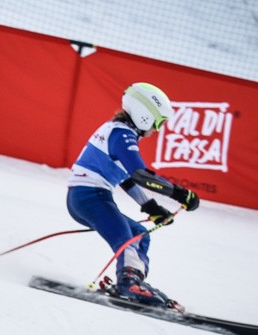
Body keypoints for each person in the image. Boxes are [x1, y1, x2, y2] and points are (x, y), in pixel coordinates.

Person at [66, 82, 199, 307]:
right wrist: (180, 194)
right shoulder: (122, 135)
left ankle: (133, 280)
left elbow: (126, 178)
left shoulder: (118, 131)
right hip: (89, 196)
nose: (157, 129)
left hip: (87, 197)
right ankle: (128, 284)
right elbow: (141, 176)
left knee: (140, 234)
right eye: (158, 122)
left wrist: (151, 208)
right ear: (144, 115)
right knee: (126, 237)